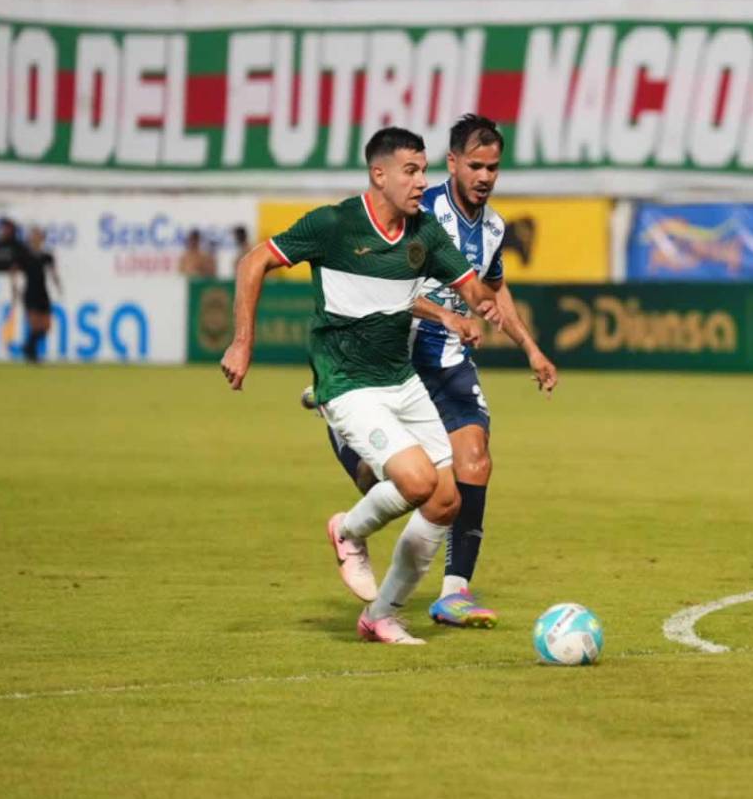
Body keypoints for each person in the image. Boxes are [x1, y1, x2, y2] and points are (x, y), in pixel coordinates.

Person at [221, 127, 503, 645]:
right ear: (379, 174)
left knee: (446, 501)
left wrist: (480, 302)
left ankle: (381, 615)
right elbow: (253, 261)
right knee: (417, 482)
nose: (421, 182)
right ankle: (347, 531)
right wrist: (243, 343)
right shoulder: (333, 225)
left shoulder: (425, 234)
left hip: (402, 380)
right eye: (410, 171)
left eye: (423, 171)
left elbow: (471, 287)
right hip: (347, 382)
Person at [306, 114, 559, 629]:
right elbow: (391, 290)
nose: (485, 177)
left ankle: (453, 592)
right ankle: (339, 423)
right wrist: (446, 314)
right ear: (452, 163)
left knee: (475, 462)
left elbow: (494, 290)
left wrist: (531, 348)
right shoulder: (420, 212)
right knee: (388, 483)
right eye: (475, 166)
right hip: (397, 361)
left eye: (493, 167)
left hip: (449, 363)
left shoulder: (494, 228)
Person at [12, 226, 62, 363]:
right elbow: (13, 271)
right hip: (30, 292)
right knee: (35, 324)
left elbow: (53, 273)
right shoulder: (24, 256)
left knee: (46, 326)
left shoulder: (46, 256)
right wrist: (15, 288)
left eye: (38, 236)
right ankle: (31, 353)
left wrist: (58, 285)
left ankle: (28, 347)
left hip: (43, 292)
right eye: (34, 236)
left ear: (42, 239)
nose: (36, 239)